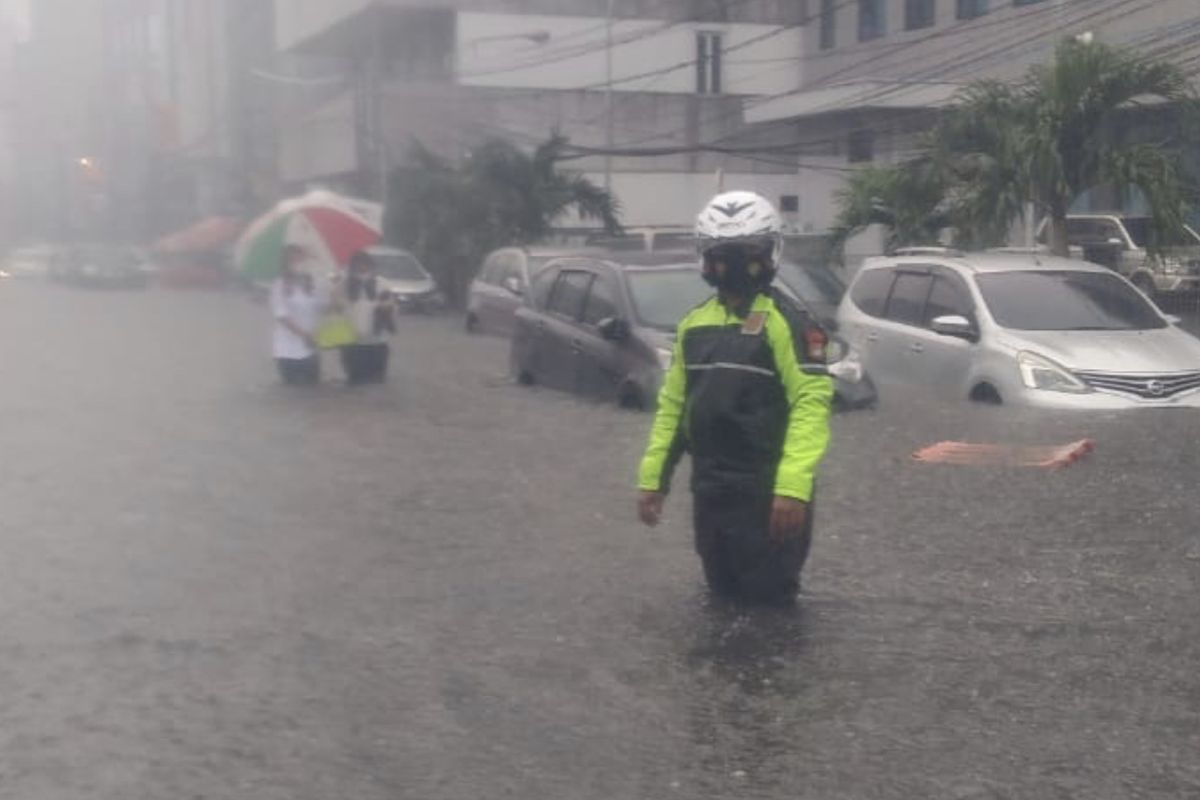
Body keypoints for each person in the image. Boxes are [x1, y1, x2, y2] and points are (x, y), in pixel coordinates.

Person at [636, 191, 834, 605]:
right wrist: (653, 480)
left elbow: (810, 404)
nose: (734, 266)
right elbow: (674, 409)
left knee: (770, 615)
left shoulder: (789, 323)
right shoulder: (694, 324)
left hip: (769, 496)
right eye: (722, 255)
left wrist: (792, 489)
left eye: (747, 253)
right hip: (710, 494)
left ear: (768, 253)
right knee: (720, 604)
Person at [337, 250, 395, 385]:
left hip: (377, 341)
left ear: (372, 265)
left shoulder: (383, 283)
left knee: (377, 383)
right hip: (352, 342)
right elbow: (336, 307)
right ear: (352, 266)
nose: (362, 267)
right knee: (355, 382)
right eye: (357, 264)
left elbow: (391, 305)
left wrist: (386, 306)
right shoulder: (343, 285)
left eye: (365, 264)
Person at [270, 246, 324, 386]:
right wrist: (304, 334)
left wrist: (336, 290)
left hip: (310, 347)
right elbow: (281, 316)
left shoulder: (313, 284)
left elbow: (324, 308)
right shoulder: (279, 284)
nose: (298, 263)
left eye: (301, 258)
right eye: (293, 259)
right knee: (292, 392)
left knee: (313, 391)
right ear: (286, 263)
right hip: (287, 350)